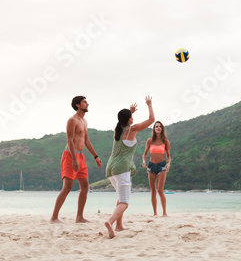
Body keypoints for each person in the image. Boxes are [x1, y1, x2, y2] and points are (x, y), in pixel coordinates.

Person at [105, 96, 154, 238]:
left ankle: (119, 226)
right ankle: (110, 221)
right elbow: (151, 120)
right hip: (121, 168)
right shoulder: (131, 130)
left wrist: (130, 112)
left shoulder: (117, 130)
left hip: (110, 169)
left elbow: (122, 120)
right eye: (130, 116)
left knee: (120, 198)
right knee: (125, 202)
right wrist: (149, 105)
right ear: (130, 120)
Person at [50, 96, 102, 223]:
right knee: (67, 187)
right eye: (85, 102)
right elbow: (70, 140)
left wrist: (96, 156)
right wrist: (74, 159)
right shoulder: (72, 120)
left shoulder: (85, 121)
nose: (87, 103)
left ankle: (79, 217)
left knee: (85, 186)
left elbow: (86, 141)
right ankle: (54, 217)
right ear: (78, 105)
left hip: (81, 156)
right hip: (70, 155)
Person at [142, 121, 171, 217]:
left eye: (160, 127)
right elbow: (145, 153)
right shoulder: (149, 141)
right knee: (153, 191)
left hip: (162, 165)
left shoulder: (165, 141)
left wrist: (169, 163)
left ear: (162, 129)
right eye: (156, 127)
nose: (158, 128)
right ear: (154, 129)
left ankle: (164, 212)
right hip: (151, 166)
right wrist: (144, 161)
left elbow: (168, 155)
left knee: (160, 190)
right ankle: (155, 213)